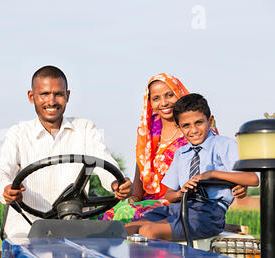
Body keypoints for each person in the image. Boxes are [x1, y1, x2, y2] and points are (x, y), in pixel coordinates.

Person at [0, 65, 132, 238]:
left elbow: (103, 160)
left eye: (58, 94)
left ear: (67, 96)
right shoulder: (18, 133)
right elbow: (2, 171)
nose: (51, 101)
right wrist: (6, 188)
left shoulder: (85, 128)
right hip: (27, 230)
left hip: (74, 230)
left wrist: (115, 183)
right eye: (44, 94)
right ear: (31, 96)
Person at [101, 73, 241, 224]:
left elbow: (218, 164)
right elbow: (142, 168)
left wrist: (239, 185)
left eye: (169, 95)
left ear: (179, 94)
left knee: (130, 216)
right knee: (106, 215)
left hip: (183, 201)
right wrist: (133, 199)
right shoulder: (148, 130)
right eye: (156, 98)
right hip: (149, 201)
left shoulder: (194, 130)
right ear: (149, 102)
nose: (164, 103)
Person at [125, 93, 259, 241]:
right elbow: (169, 194)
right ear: (179, 127)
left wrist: (212, 174)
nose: (193, 130)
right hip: (180, 206)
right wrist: (179, 194)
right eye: (186, 126)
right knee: (128, 229)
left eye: (199, 122)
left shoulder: (224, 145)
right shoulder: (181, 153)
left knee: (148, 231)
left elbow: (252, 179)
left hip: (208, 212)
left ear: (210, 120)